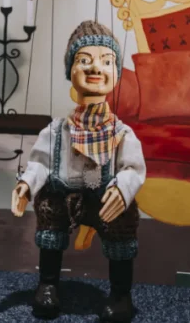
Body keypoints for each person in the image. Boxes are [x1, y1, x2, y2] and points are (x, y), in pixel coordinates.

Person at [12, 20, 146, 322]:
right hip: (65, 195)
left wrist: (123, 188)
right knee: (49, 209)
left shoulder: (121, 133)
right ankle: (48, 284)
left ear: (116, 72)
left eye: (107, 61)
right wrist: (26, 184)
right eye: (84, 60)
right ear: (70, 70)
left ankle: (121, 295)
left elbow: (133, 167)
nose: (95, 67)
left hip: (105, 198)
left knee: (122, 220)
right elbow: (40, 162)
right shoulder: (57, 130)